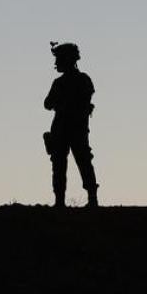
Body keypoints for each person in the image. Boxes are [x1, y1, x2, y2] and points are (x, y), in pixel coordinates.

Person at [43, 42, 99, 208]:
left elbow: (49, 103)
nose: (56, 64)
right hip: (68, 128)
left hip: (71, 128)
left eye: (59, 59)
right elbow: (47, 104)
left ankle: (84, 199)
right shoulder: (79, 80)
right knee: (69, 163)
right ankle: (67, 200)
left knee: (78, 161)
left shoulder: (72, 82)